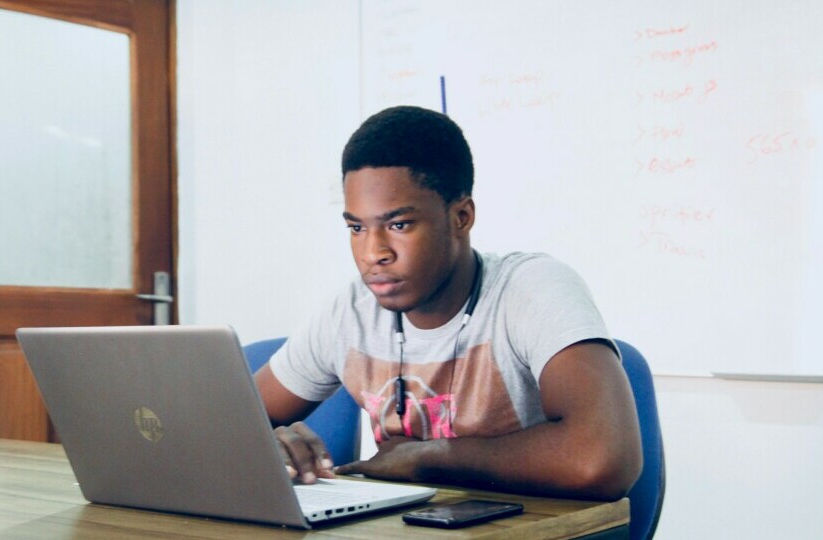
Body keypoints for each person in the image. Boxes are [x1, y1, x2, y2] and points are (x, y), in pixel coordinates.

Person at [254, 105, 642, 500]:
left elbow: (601, 460)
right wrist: (272, 442)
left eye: (398, 225)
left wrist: (430, 457)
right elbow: (221, 425)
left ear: (461, 216)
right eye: (356, 228)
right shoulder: (351, 311)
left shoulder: (531, 289)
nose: (373, 253)